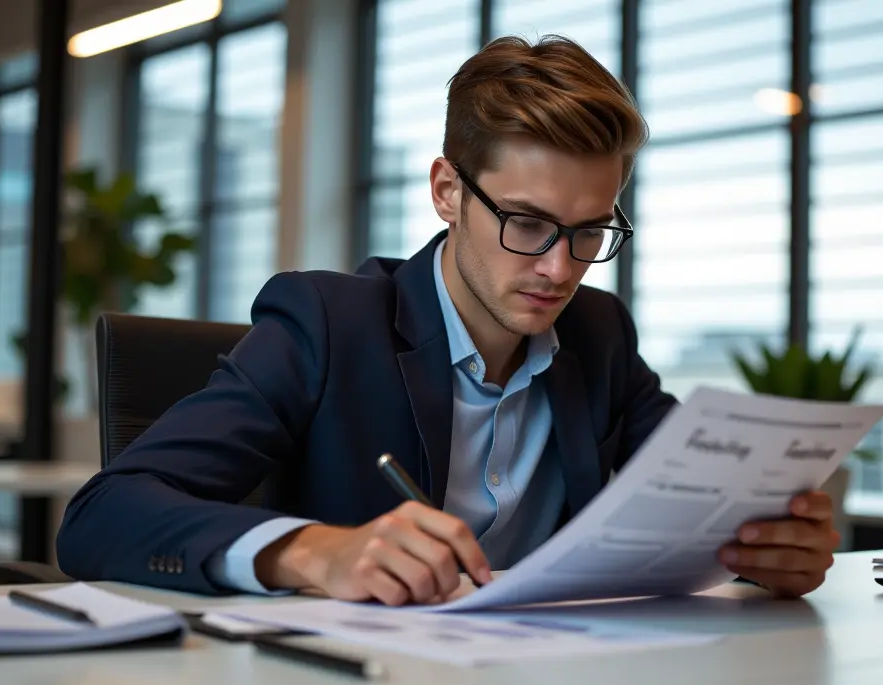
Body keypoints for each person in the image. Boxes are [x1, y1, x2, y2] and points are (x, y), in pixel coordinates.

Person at [56, 35, 839, 605]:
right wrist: (314, 552)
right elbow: (101, 517)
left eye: (590, 232)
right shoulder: (328, 322)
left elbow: (683, 507)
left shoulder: (601, 337)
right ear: (447, 191)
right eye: (528, 224)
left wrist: (761, 552)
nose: (560, 269)